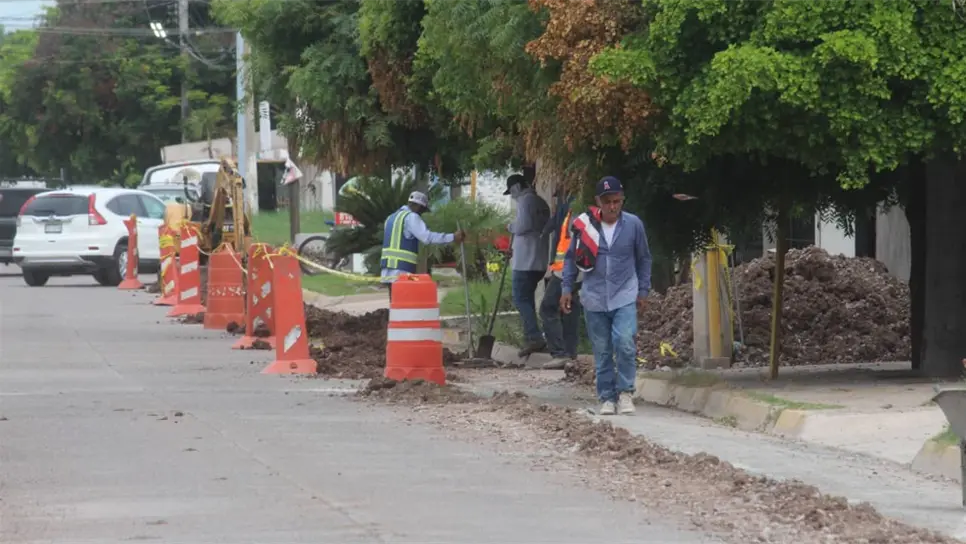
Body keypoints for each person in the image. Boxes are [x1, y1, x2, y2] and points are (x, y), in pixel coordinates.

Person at [560, 176, 651, 416]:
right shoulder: (586, 227)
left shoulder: (633, 225)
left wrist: (643, 290)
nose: (613, 206)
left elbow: (643, 258)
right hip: (594, 296)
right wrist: (566, 288)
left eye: (617, 201)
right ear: (598, 201)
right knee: (601, 351)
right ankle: (607, 397)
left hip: (625, 294)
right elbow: (570, 259)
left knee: (624, 342)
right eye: (608, 201)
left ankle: (625, 393)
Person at [380, 191, 466, 299]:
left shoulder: (390, 218)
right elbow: (427, 237)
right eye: (422, 210)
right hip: (402, 270)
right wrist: (453, 237)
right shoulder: (412, 217)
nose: (421, 214)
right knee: (405, 303)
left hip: (387, 272)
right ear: (418, 206)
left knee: (395, 304)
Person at [504, 173, 551, 356]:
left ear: (516, 187)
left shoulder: (525, 202)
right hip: (538, 261)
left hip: (525, 262)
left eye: (512, 192)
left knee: (521, 299)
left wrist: (510, 227)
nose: (512, 196)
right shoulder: (541, 203)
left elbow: (523, 226)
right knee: (527, 300)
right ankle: (531, 339)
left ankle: (534, 338)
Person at [539, 189, 583, 369]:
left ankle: (559, 353)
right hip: (569, 270)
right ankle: (570, 352)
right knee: (570, 309)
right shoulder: (570, 213)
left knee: (548, 308)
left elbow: (575, 246)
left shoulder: (577, 214)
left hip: (568, 271)